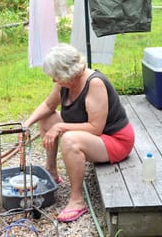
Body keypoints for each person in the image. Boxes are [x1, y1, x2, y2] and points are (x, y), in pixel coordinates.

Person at [23, 43, 134, 223]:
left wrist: (60, 128)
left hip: (115, 140)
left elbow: (95, 128)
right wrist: (26, 125)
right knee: (47, 119)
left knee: (69, 139)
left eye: (56, 76)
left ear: (69, 73)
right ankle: (51, 172)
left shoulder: (94, 83)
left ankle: (77, 200)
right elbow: (48, 106)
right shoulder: (65, 82)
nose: (53, 80)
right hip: (93, 134)